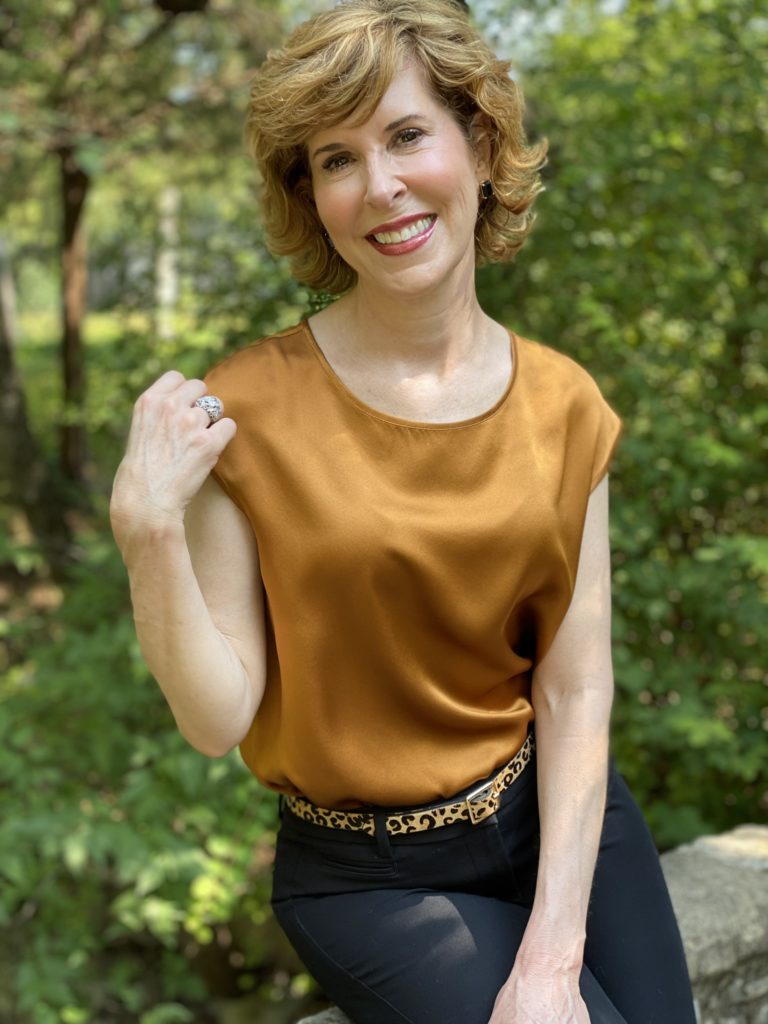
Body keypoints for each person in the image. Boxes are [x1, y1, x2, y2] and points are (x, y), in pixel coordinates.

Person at [110, 1, 698, 1021]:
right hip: (367, 876)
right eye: (336, 158)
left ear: (478, 146)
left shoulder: (566, 405)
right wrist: (147, 533)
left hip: (559, 818)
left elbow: (573, 691)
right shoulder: (246, 407)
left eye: (407, 135)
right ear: (314, 196)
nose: (378, 186)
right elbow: (217, 719)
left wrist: (552, 958)